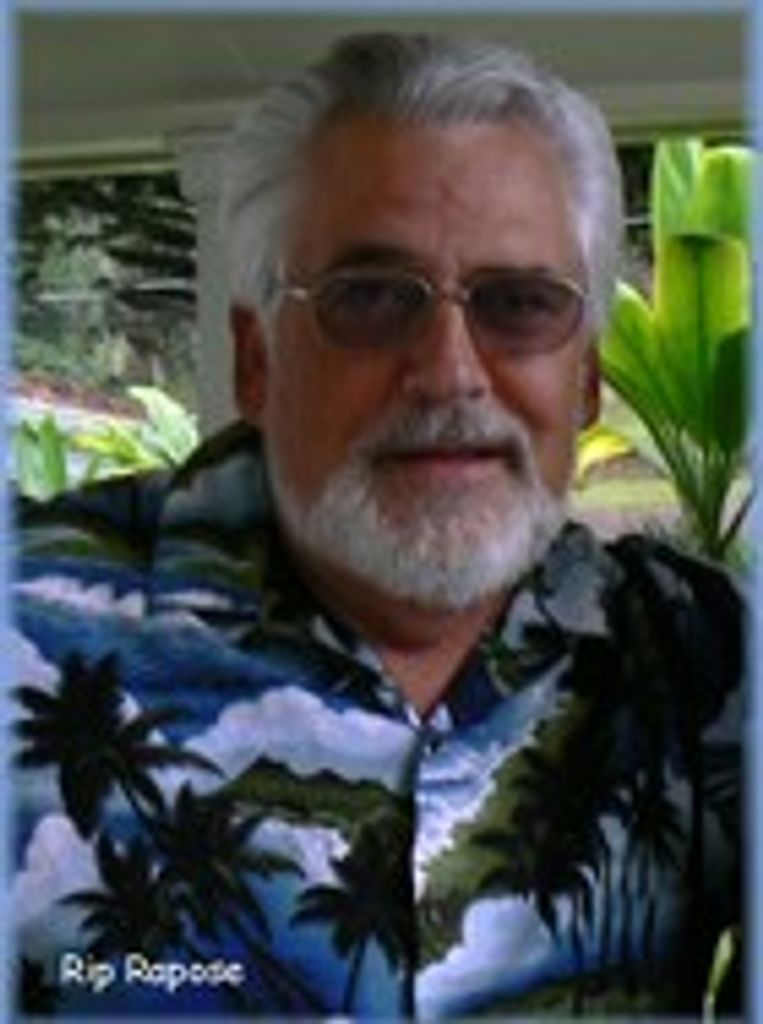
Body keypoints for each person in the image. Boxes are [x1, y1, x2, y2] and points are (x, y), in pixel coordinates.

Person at [12, 31, 742, 1019]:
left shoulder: (704, 663)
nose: (448, 372)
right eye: (368, 298)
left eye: (519, 303)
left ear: (584, 382)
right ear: (257, 359)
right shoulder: (29, 637)